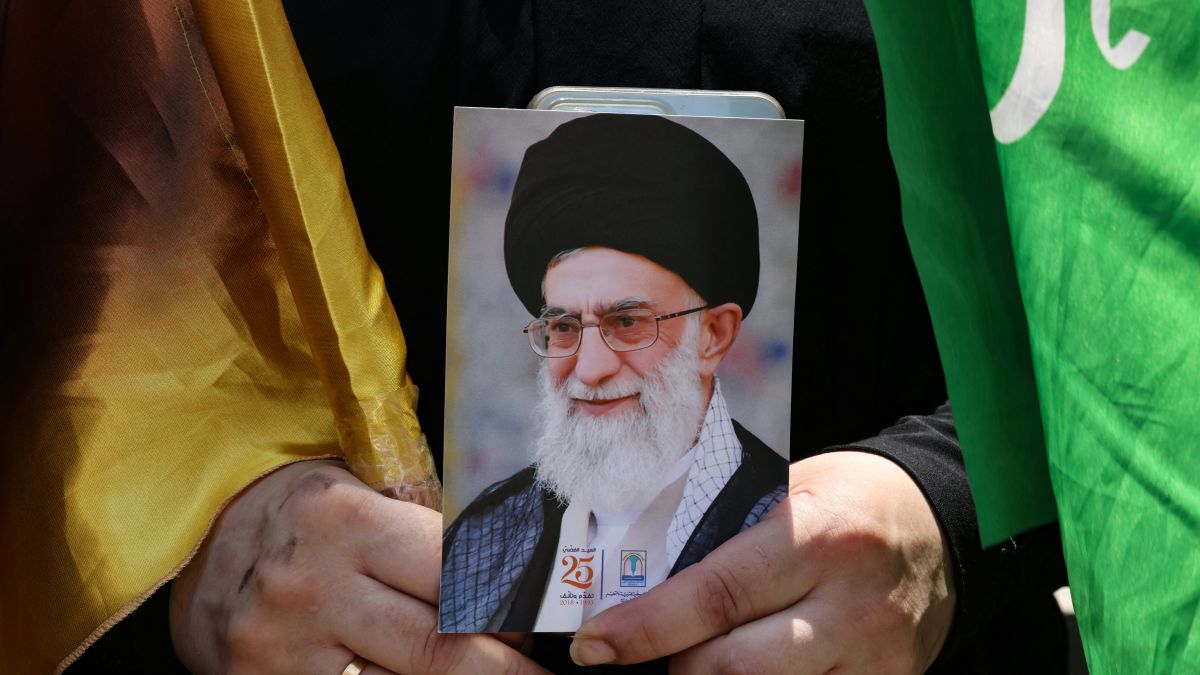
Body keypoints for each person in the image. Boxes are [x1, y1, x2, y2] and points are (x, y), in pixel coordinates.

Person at [440, 113, 790, 633]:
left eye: (626, 322)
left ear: (713, 336)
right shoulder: (484, 530)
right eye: (562, 327)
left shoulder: (790, 523)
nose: (590, 368)